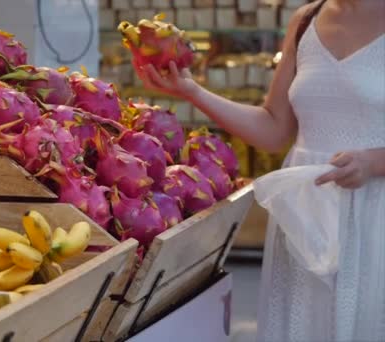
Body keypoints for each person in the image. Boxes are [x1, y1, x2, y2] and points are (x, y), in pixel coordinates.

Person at [136, 0, 385, 341]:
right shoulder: (306, 21)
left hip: (374, 219)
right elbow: (273, 129)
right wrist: (191, 92)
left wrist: (374, 161)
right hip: (303, 219)